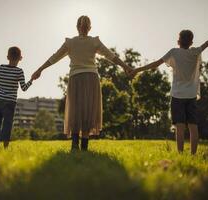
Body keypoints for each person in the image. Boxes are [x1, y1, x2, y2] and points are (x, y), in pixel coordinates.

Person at [31, 15, 133, 151]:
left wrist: (40, 70)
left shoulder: (70, 43)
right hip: (91, 78)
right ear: (90, 28)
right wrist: (125, 66)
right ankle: (84, 146)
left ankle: (74, 146)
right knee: (88, 112)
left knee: (76, 111)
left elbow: (54, 58)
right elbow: (111, 56)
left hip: (76, 78)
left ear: (77, 27)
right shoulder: (94, 42)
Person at [130, 30, 208, 154]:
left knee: (180, 127)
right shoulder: (195, 51)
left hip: (177, 95)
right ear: (191, 42)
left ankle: (180, 153)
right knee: (193, 126)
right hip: (192, 95)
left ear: (178, 41)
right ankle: (193, 154)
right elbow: (207, 43)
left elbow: (155, 64)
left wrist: (137, 69)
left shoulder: (174, 52)